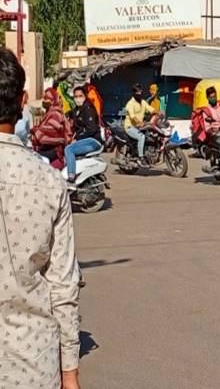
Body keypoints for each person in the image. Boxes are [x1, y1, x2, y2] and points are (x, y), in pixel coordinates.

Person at [0, 47, 81, 389]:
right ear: (23, 101)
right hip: (33, 366)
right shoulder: (49, 182)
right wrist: (70, 373)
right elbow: (63, 285)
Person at [64, 85, 103, 183]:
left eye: (80, 96)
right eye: (76, 96)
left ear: (85, 96)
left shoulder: (88, 109)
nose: (78, 99)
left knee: (69, 149)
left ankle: (71, 177)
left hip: (93, 140)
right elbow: (69, 114)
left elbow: (91, 129)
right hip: (85, 140)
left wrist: (77, 138)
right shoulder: (77, 110)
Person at [31, 87, 71, 168]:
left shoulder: (55, 113)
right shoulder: (49, 112)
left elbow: (51, 132)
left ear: (53, 100)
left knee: (33, 159)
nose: (44, 101)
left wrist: (36, 131)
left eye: (46, 98)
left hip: (55, 150)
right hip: (47, 147)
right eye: (44, 98)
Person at [124, 83, 155, 163]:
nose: (139, 94)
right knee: (141, 137)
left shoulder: (143, 102)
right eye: (137, 92)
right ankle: (141, 157)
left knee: (151, 135)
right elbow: (133, 116)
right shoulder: (130, 103)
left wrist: (159, 112)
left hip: (139, 127)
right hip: (130, 127)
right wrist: (140, 122)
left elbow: (150, 109)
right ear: (134, 93)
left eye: (140, 92)